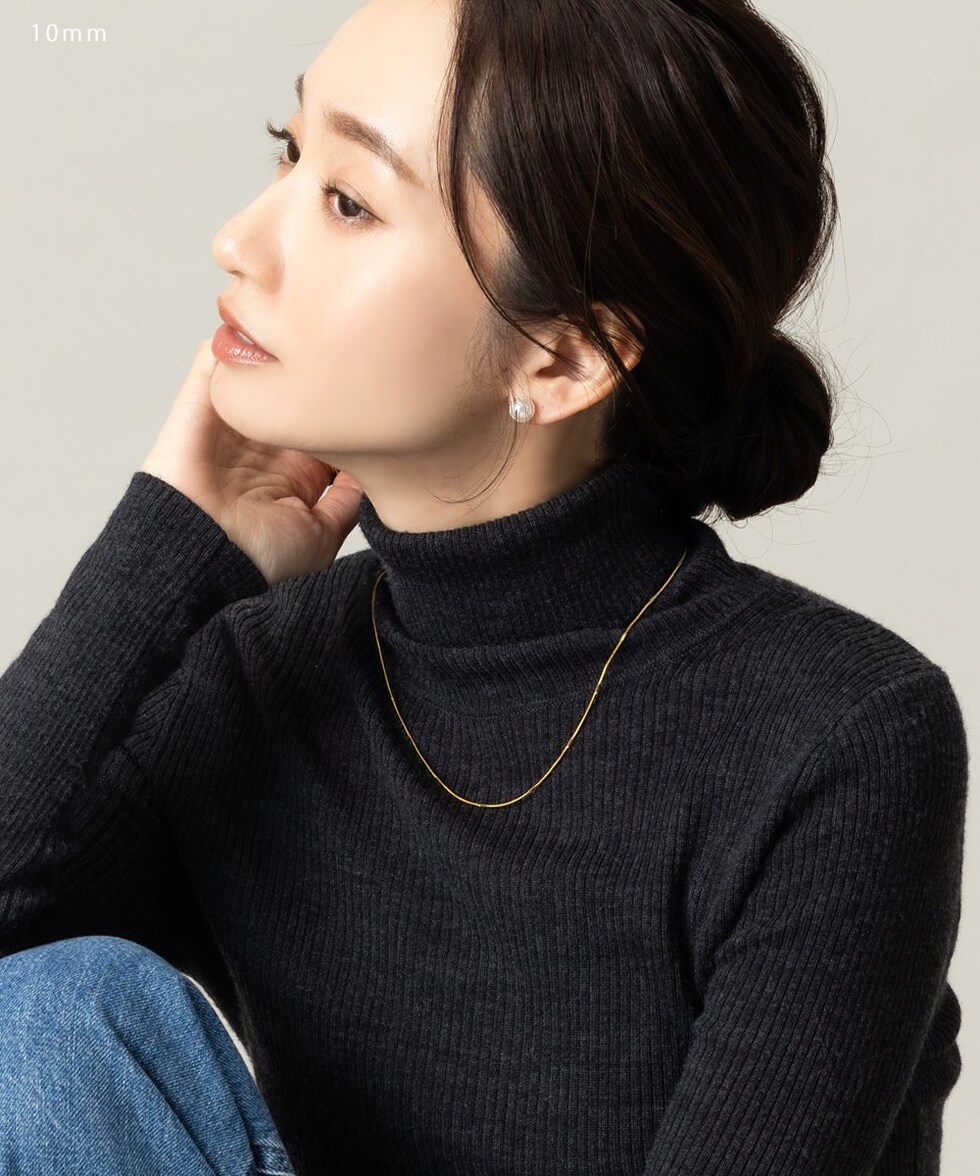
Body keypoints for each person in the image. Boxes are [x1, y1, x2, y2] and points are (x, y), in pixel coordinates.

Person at [0, 0, 968, 1173]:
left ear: (559, 358)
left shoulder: (833, 732)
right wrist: (170, 548)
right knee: (45, 1021)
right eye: (288, 153)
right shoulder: (257, 671)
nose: (239, 240)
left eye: (347, 201)